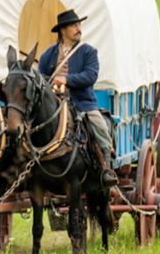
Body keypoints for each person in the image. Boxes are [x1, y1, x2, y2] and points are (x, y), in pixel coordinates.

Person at [37, 10, 117, 186]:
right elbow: (40, 79)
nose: (78, 29)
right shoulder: (47, 55)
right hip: (54, 105)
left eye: (79, 25)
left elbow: (90, 76)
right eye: (74, 26)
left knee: (100, 127)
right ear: (63, 31)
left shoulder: (88, 52)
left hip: (82, 104)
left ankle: (105, 168)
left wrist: (66, 79)